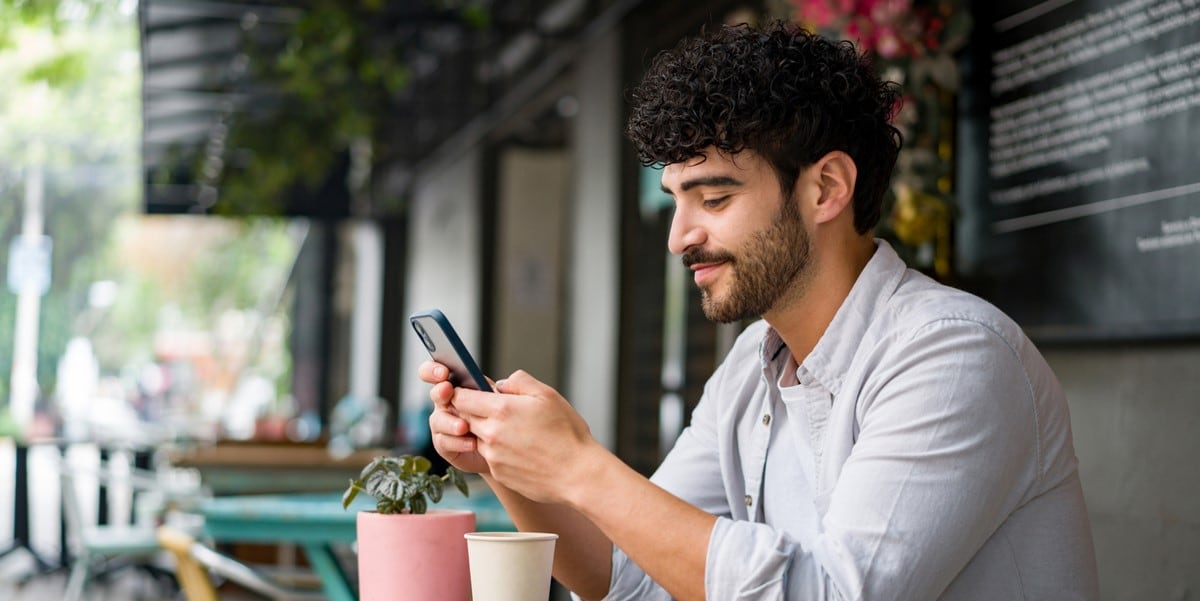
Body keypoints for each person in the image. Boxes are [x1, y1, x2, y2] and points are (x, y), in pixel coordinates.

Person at [421, 21, 1099, 601]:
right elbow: (630, 577)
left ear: (826, 187)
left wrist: (579, 464)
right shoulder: (753, 364)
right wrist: (508, 460)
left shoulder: (954, 354)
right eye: (675, 199)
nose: (678, 236)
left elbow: (829, 592)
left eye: (713, 199)